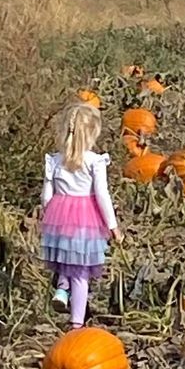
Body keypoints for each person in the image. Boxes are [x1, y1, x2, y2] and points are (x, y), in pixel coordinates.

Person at [40, 102, 123, 329]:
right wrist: (113, 225)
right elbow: (102, 194)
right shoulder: (95, 161)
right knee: (82, 272)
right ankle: (76, 323)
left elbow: (47, 194)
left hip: (59, 216)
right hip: (86, 219)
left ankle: (61, 289)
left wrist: (48, 214)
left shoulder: (55, 160)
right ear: (92, 133)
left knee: (64, 257)